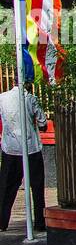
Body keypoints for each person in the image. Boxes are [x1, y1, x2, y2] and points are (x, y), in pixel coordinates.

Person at [0, 81, 48, 233]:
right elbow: (42, 124)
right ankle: (39, 222)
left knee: (6, 188)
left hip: (10, 148)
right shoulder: (31, 99)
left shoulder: (2, 98)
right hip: (31, 149)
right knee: (37, 187)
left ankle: (2, 221)